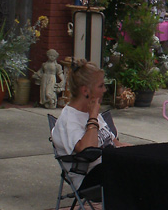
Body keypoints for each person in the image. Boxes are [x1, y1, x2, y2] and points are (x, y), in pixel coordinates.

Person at [52, 59, 128, 190]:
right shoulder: (69, 119)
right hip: (90, 178)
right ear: (85, 90)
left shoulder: (92, 112)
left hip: (111, 168)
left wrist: (143, 152)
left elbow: (116, 144)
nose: (104, 90)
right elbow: (87, 150)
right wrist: (92, 117)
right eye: (100, 86)